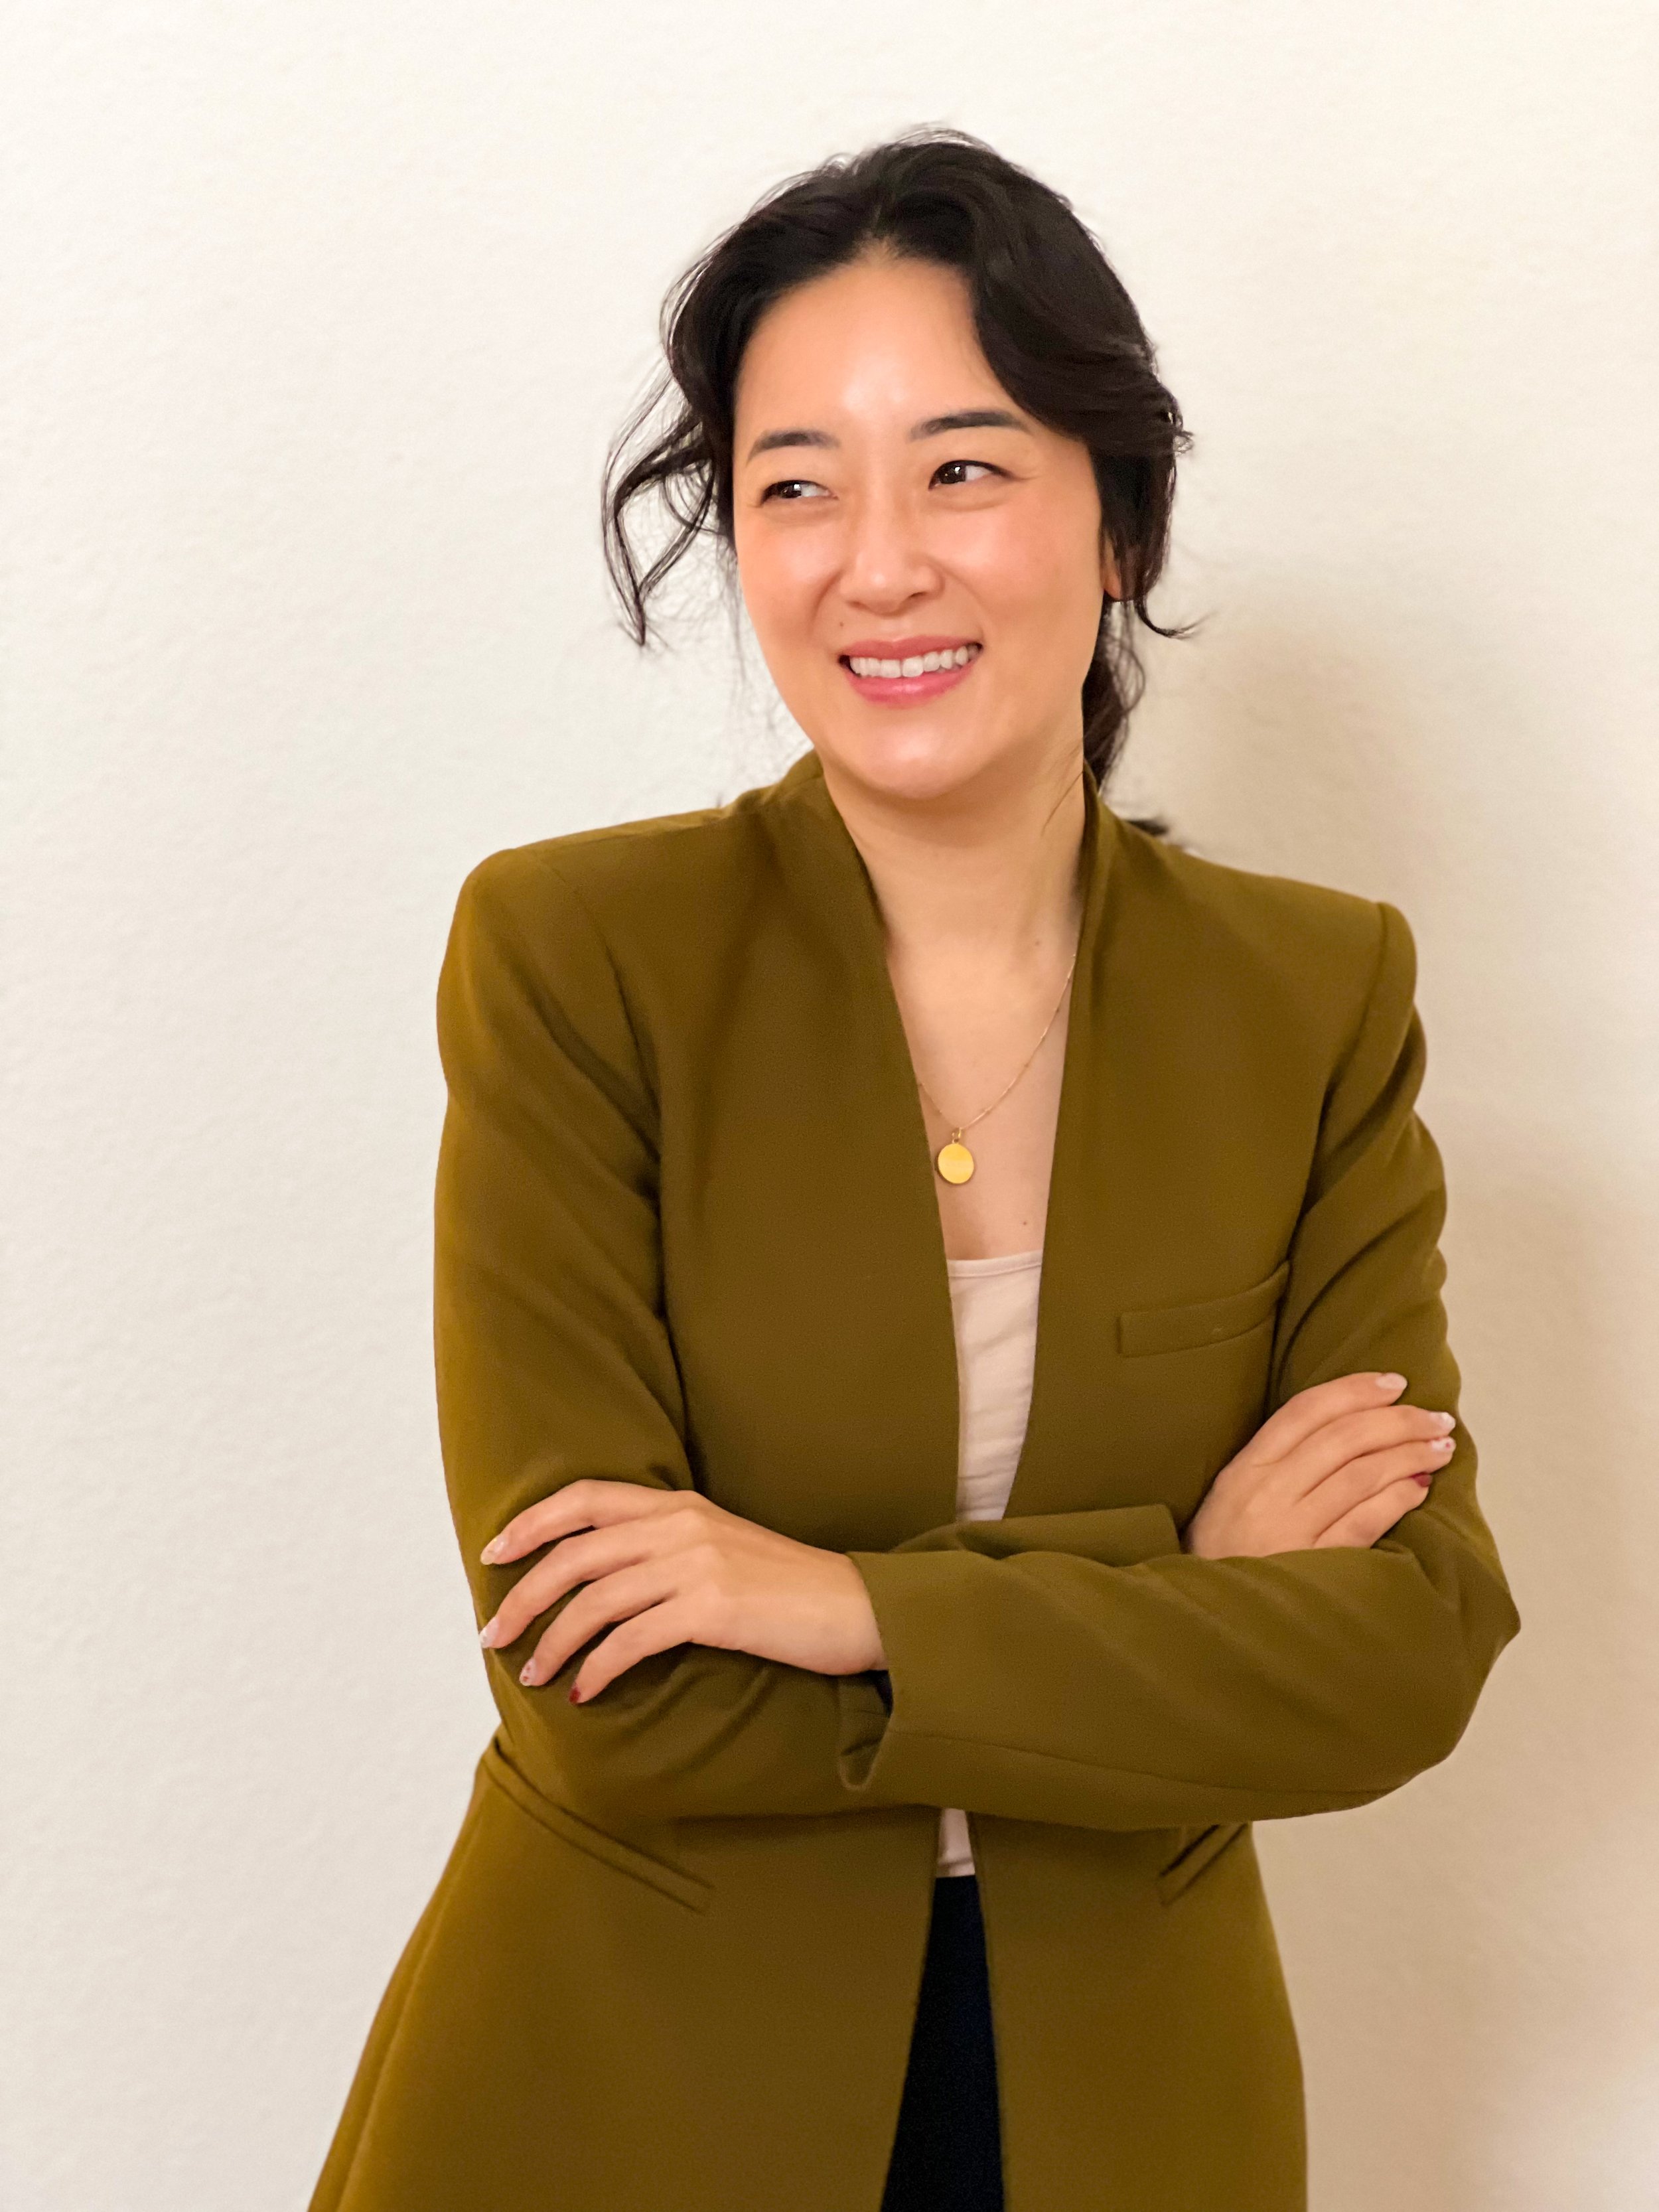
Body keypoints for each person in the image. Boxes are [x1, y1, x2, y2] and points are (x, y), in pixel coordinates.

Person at [307, 131, 1519, 2212]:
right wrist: (1177, 1603)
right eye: (793, 484)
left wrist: (829, 1602)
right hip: (615, 2090)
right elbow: (607, 1699)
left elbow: (1396, 1655)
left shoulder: (1310, 996)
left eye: (961, 468)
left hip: (1123, 2098)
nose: (876, 561)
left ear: (1118, 519)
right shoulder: (582, 956)